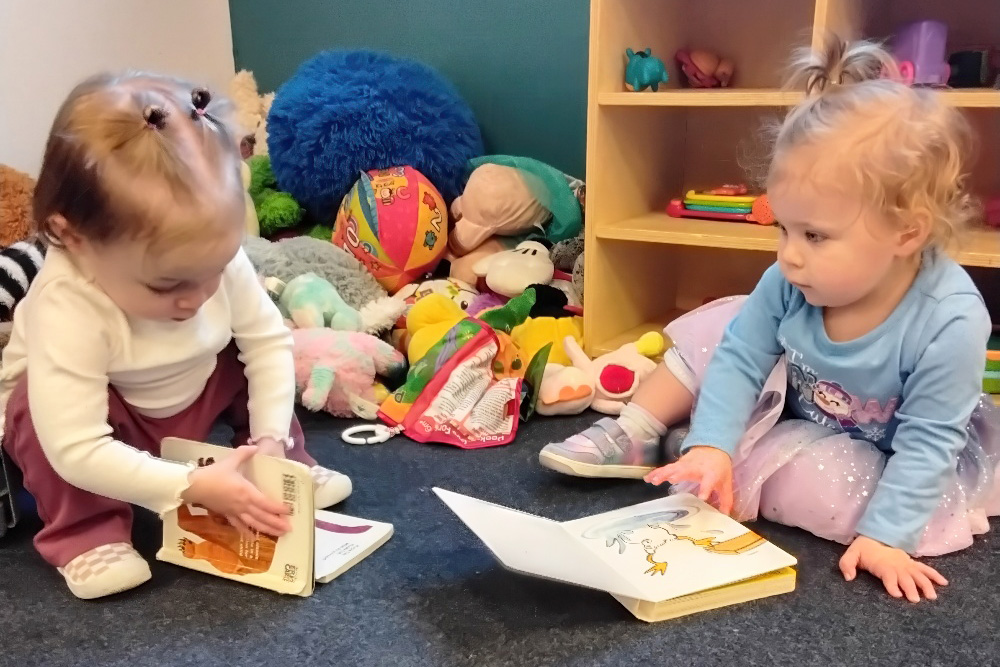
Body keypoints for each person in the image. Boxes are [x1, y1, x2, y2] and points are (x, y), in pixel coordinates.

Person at [540, 39, 1000, 603]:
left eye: (814, 236)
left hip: (883, 453)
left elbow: (929, 443)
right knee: (726, 323)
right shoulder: (788, 280)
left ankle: (711, 450)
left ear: (908, 232)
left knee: (838, 493)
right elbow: (740, 356)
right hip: (790, 400)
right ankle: (640, 429)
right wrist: (712, 444)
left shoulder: (949, 323)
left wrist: (886, 537)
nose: (789, 255)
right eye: (783, 228)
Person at [0, 72, 351, 600]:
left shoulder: (211, 262)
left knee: (248, 350)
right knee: (32, 407)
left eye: (215, 267)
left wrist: (271, 438)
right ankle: (86, 533)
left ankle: (276, 467)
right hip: (94, 423)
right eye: (168, 283)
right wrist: (186, 486)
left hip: (191, 385)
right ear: (74, 237)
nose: (198, 296)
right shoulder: (66, 305)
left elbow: (267, 343)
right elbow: (75, 448)